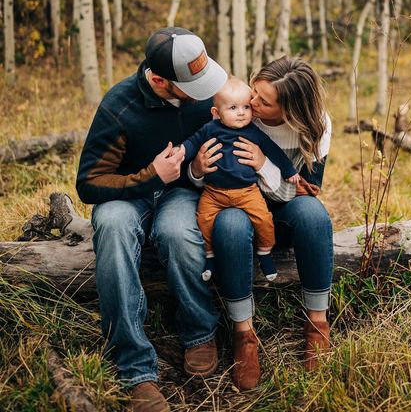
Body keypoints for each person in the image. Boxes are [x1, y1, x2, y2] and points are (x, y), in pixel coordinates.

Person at [76, 26, 228, 412]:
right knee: (111, 226)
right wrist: (149, 177)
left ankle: (199, 331)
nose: (202, 90)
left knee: (178, 231)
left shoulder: (205, 91)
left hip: (184, 190)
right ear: (160, 80)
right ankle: (133, 369)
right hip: (129, 193)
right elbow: (90, 183)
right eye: (190, 84)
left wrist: (196, 168)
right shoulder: (120, 105)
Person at [189, 56, 333, 391]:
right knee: (231, 226)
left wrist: (265, 164)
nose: (250, 103)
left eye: (263, 102)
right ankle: (244, 334)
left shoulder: (317, 126)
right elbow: (200, 176)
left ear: (290, 111)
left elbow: (306, 192)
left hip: (280, 212)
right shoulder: (232, 109)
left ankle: (317, 324)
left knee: (313, 215)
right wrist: (198, 167)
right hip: (231, 206)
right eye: (254, 91)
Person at [181, 76, 299, 282]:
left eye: (246, 106)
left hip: (247, 191)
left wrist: (289, 170)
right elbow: (193, 142)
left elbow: (273, 151)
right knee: (204, 221)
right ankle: (209, 257)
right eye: (233, 108)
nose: (242, 112)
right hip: (213, 192)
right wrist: (181, 151)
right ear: (216, 113)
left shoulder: (253, 131)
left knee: (263, 219)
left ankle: (265, 253)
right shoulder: (210, 129)